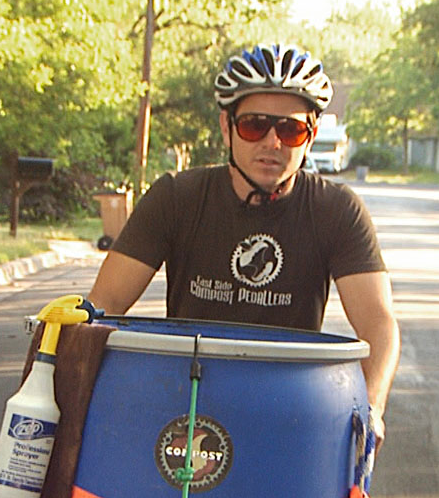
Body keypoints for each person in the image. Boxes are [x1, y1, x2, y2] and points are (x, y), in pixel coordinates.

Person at [88, 43, 400, 452]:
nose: (272, 142)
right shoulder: (176, 198)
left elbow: (378, 323)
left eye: (290, 129)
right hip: (182, 409)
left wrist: (371, 407)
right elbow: (102, 305)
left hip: (287, 413)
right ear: (226, 126)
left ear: (311, 136)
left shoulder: (336, 210)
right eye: (254, 125)